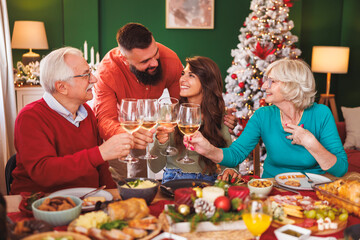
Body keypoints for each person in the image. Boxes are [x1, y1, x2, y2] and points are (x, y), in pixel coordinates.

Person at [93, 23, 236, 177]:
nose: (154, 62)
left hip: (193, 163)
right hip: (125, 127)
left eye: (155, 53)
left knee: (143, 177)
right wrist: (127, 134)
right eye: (145, 61)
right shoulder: (107, 71)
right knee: (130, 180)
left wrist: (218, 113)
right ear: (126, 59)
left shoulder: (170, 59)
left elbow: (185, 103)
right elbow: (105, 118)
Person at [185, 58, 348, 178]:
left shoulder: (320, 113)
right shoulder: (263, 115)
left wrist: (310, 142)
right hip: (273, 190)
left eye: (272, 81)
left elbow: (340, 169)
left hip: (312, 191)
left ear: (292, 85)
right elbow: (236, 154)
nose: (264, 86)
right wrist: (207, 149)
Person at [11, 47, 134, 194]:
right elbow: (44, 173)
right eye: (85, 75)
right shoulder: (30, 117)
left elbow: (101, 167)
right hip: (42, 205)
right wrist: (100, 153)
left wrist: (113, 196)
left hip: (88, 201)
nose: (94, 79)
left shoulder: (86, 112)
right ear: (61, 87)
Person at [149, 56, 239, 183]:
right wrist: (160, 143)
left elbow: (230, 159)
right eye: (183, 74)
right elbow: (154, 167)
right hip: (175, 179)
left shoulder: (220, 114)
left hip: (210, 180)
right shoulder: (168, 112)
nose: (182, 79)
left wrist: (229, 170)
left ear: (207, 82)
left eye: (191, 75)